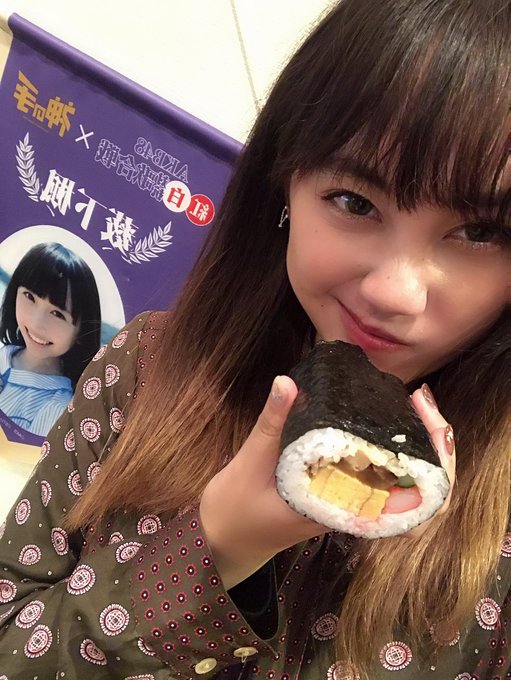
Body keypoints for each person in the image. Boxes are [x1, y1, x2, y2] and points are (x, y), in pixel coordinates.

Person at [0, 0, 509, 677]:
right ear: (285, 185)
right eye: (354, 202)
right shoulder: (144, 367)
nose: (395, 291)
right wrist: (213, 549)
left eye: (479, 232)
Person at [0, 242, 101, 436]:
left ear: (81, 333)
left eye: (57, 314)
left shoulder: (57, 410)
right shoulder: (4, 353)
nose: (36, 323)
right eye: (30, 297)